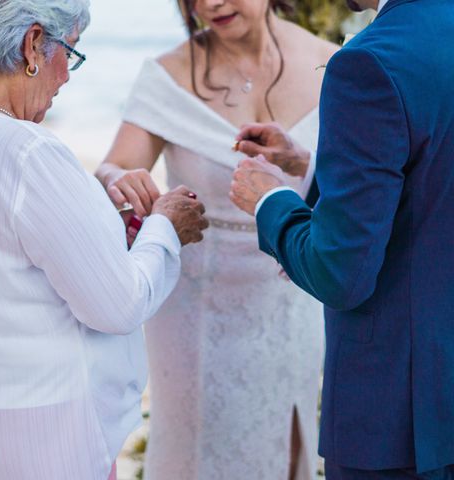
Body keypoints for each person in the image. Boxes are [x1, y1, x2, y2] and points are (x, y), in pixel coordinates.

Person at [0, 1, 209, 479]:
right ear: (33, 44)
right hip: (50, 434)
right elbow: (118, 306)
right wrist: (165, 226)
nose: (66, 77)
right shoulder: (25, 152)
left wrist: (106, 233)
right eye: (71, 53)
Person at [95, 0, 337, 478]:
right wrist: (119, 180)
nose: (210, 4)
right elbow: (114, 164)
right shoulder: (167, 74)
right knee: (194, 447)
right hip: (195, 305)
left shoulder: (329, 62)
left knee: (287, 444)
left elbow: (351, 183)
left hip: (292, 293)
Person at [229, 0, 454, 478]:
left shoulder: (370, 62)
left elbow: (341, 272)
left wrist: (271, 202)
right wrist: (311, 165)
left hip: (399, 417)